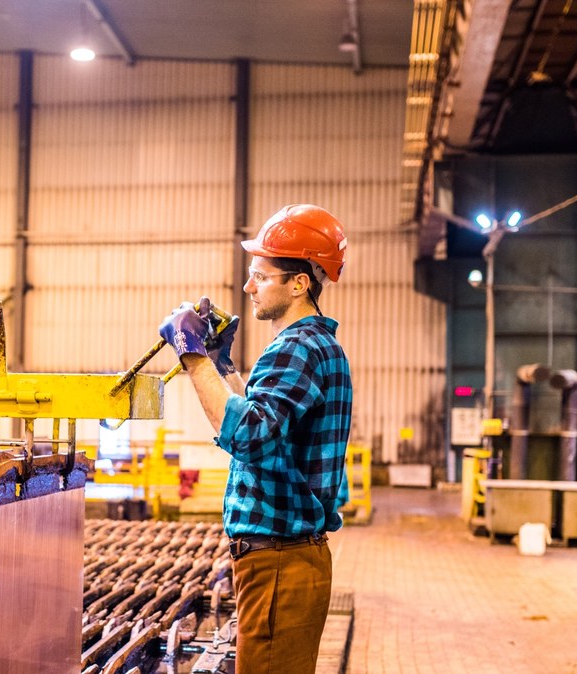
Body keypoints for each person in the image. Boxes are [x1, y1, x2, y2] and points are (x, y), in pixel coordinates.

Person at [158, 203, 352, 673]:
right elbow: (273, 428)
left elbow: (248, 435)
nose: (249, 287)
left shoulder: (296, 348)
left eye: (260, 276)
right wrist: (223, 366)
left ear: (299, 282)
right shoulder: (317, 347)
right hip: (289, 559)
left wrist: (193, 356)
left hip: (279, 562)